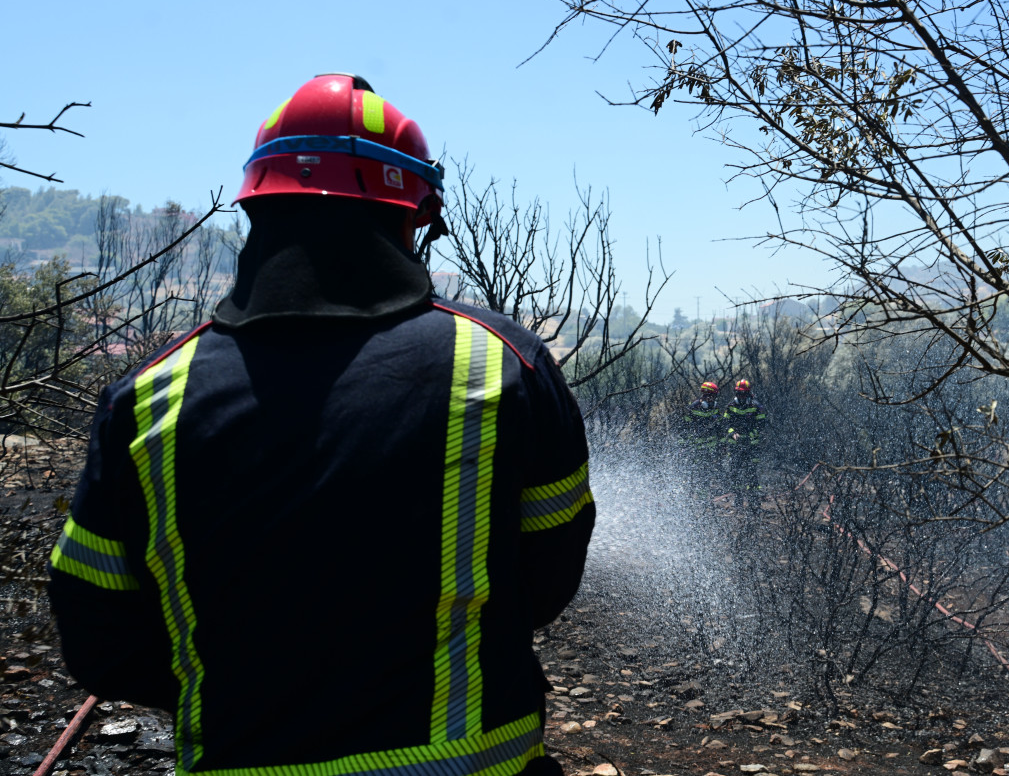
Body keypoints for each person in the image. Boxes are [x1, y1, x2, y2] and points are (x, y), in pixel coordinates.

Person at [46, 73, 592, 776]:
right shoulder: (503, 362)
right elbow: (548, 578)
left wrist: (250, 684)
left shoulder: (151, 395)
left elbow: (99, 638)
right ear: (411, 216)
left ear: (257, 212)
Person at [724, 378, 768, 501]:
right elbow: (725, 423)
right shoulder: (731, 406)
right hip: (735, 445)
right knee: (735, 472)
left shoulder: (757, 406)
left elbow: (761, 425)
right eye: (738, 393)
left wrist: (749, 436)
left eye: (743, 394)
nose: (740, 396)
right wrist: (732, 433)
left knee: (751, 472)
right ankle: (738, 499)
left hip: (751, 445)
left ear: (748, 394)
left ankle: (754, 501)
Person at [680, 380, 725, 457]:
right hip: (696, 449)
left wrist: (722, 445)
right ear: (706, 396)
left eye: (714, 397)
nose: (713, 399)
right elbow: (684, 428)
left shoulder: (715, 408)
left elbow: (720, 427)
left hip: (712, 450)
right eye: (713, 397)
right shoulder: (693, 408)